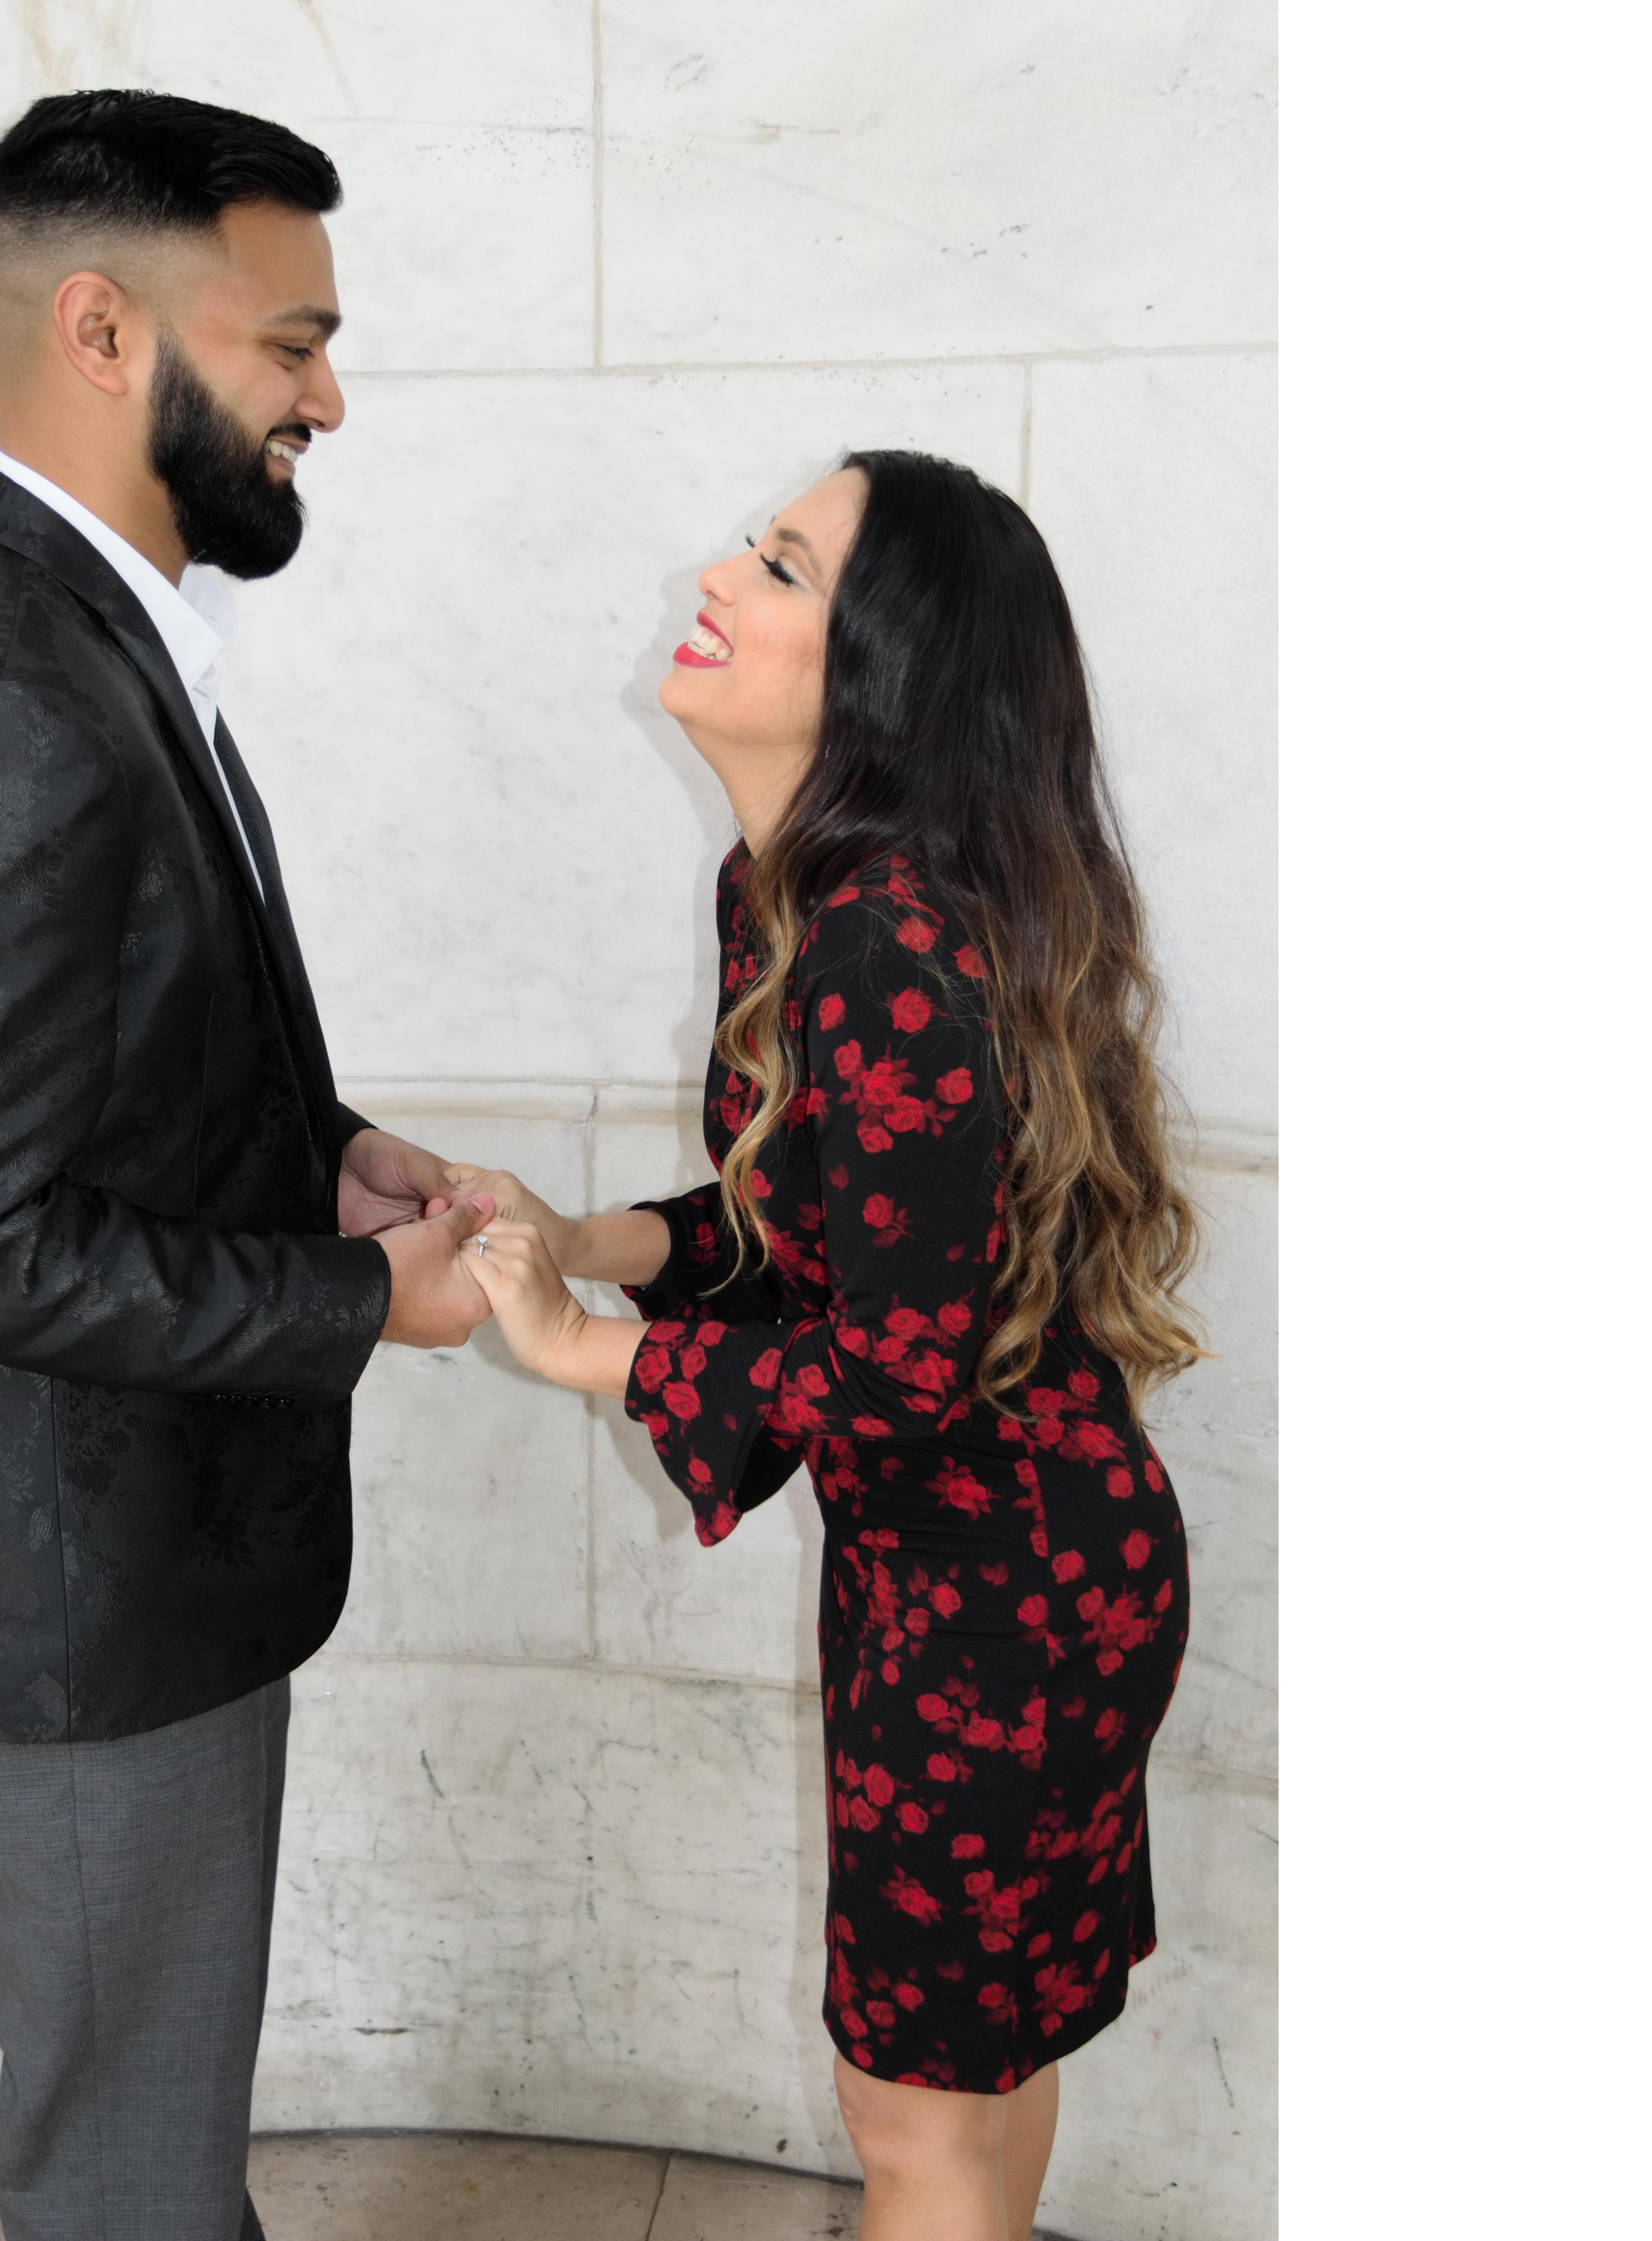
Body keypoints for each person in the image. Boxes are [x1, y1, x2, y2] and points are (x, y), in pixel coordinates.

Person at [0, 91, 494, 2241]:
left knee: (149, 2150)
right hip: (74, 1604)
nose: (327, 400)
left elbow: (89, 1064)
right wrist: (366, 1299)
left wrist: (324, 1157)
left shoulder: (82, 633)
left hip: (106, 1552)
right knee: (128, 2183)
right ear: (103, 332)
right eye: (293, 344)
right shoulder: (7, 695)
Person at [449, 451, 1203, 2241]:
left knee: (913, 2113)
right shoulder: (798, 896)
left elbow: (897, 1369)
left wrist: (581, 1350)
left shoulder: (881, 946)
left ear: (884, 674)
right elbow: (819, 1232)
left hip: (1001, 1601)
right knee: (970, 2084)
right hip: (1001, 1572)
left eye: (782, 566)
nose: (717, 574)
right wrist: (583, 1242)